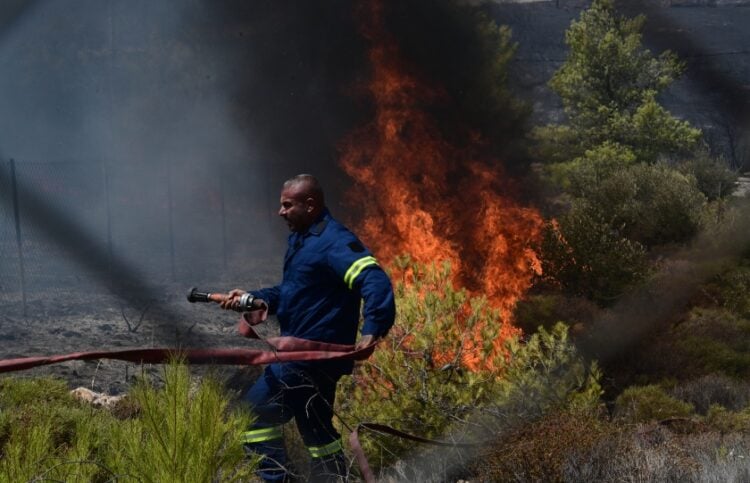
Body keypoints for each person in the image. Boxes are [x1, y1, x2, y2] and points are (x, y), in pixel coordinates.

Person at [220, 174, 396, 482]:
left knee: (253, 416)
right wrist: (253, 299)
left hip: (308, 360)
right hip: (307, 359)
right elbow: (294, 293)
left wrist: (373, 328)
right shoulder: (305, 242)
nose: (281, 212)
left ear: (310, 204)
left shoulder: (334, 242)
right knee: (318, 433)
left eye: (287, 205)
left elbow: (374, 279)